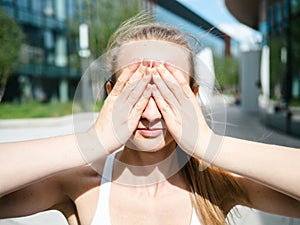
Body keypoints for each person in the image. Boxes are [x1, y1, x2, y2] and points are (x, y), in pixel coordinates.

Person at [0, 14, 300, 225]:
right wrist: (93, 141)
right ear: (111, 93)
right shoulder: (79, 183)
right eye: (135, 89)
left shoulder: (217, 182)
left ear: (193, 95)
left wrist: (210, 144)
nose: (150, 112)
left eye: (169, 91)